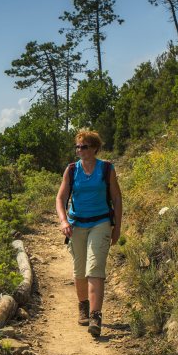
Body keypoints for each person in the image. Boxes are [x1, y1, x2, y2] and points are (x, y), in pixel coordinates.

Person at [55, 130, 122, 337]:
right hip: (76, 225)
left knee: (95, 268)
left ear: (94, 148)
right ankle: (83, 305)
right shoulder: (72, 170)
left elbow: (117, 199)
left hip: (100, 223)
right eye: (77, 147)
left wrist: (116, 228)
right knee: (80, 270)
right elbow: (60, 198)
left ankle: (95, 316)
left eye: (83, 146)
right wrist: (64, 221)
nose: (79, 150)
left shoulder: (106, 169)